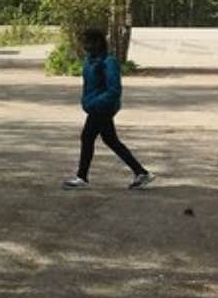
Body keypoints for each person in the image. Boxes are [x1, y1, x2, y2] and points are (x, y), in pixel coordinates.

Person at [63, 29, 154, 190]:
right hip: (94, 106)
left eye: (88, 42)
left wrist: (96, 103)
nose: (85, 46)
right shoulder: (90, 61)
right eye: (84, 42)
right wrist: (87, 101)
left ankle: (81, 177)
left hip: (102, 108)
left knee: (87, 137)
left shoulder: (108, 62)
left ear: (98, 43)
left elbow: (114, 90)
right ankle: (141, 172)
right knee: (111, 140)